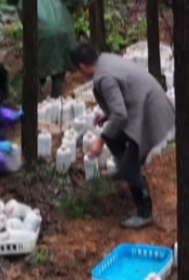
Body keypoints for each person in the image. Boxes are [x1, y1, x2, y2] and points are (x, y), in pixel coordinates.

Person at [73, 42, 175, 228]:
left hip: (149, 114)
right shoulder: (105, 59)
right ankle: (128, 168)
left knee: (130, 164)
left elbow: (120, 115)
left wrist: (99, 141)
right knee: (114, 136)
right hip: (145, 105)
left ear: (82, 67)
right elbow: (124, 95)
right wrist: (108, 116)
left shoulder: (103, 78)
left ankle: (144, 212)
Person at [3, 0, 86, 99]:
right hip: (64, 32)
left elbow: (28, 24)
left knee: (37, 68)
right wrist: (78, 5)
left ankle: (38, 102)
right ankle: (56, 99)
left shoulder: (23, 0)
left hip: (43, 36)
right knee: (59, 67)